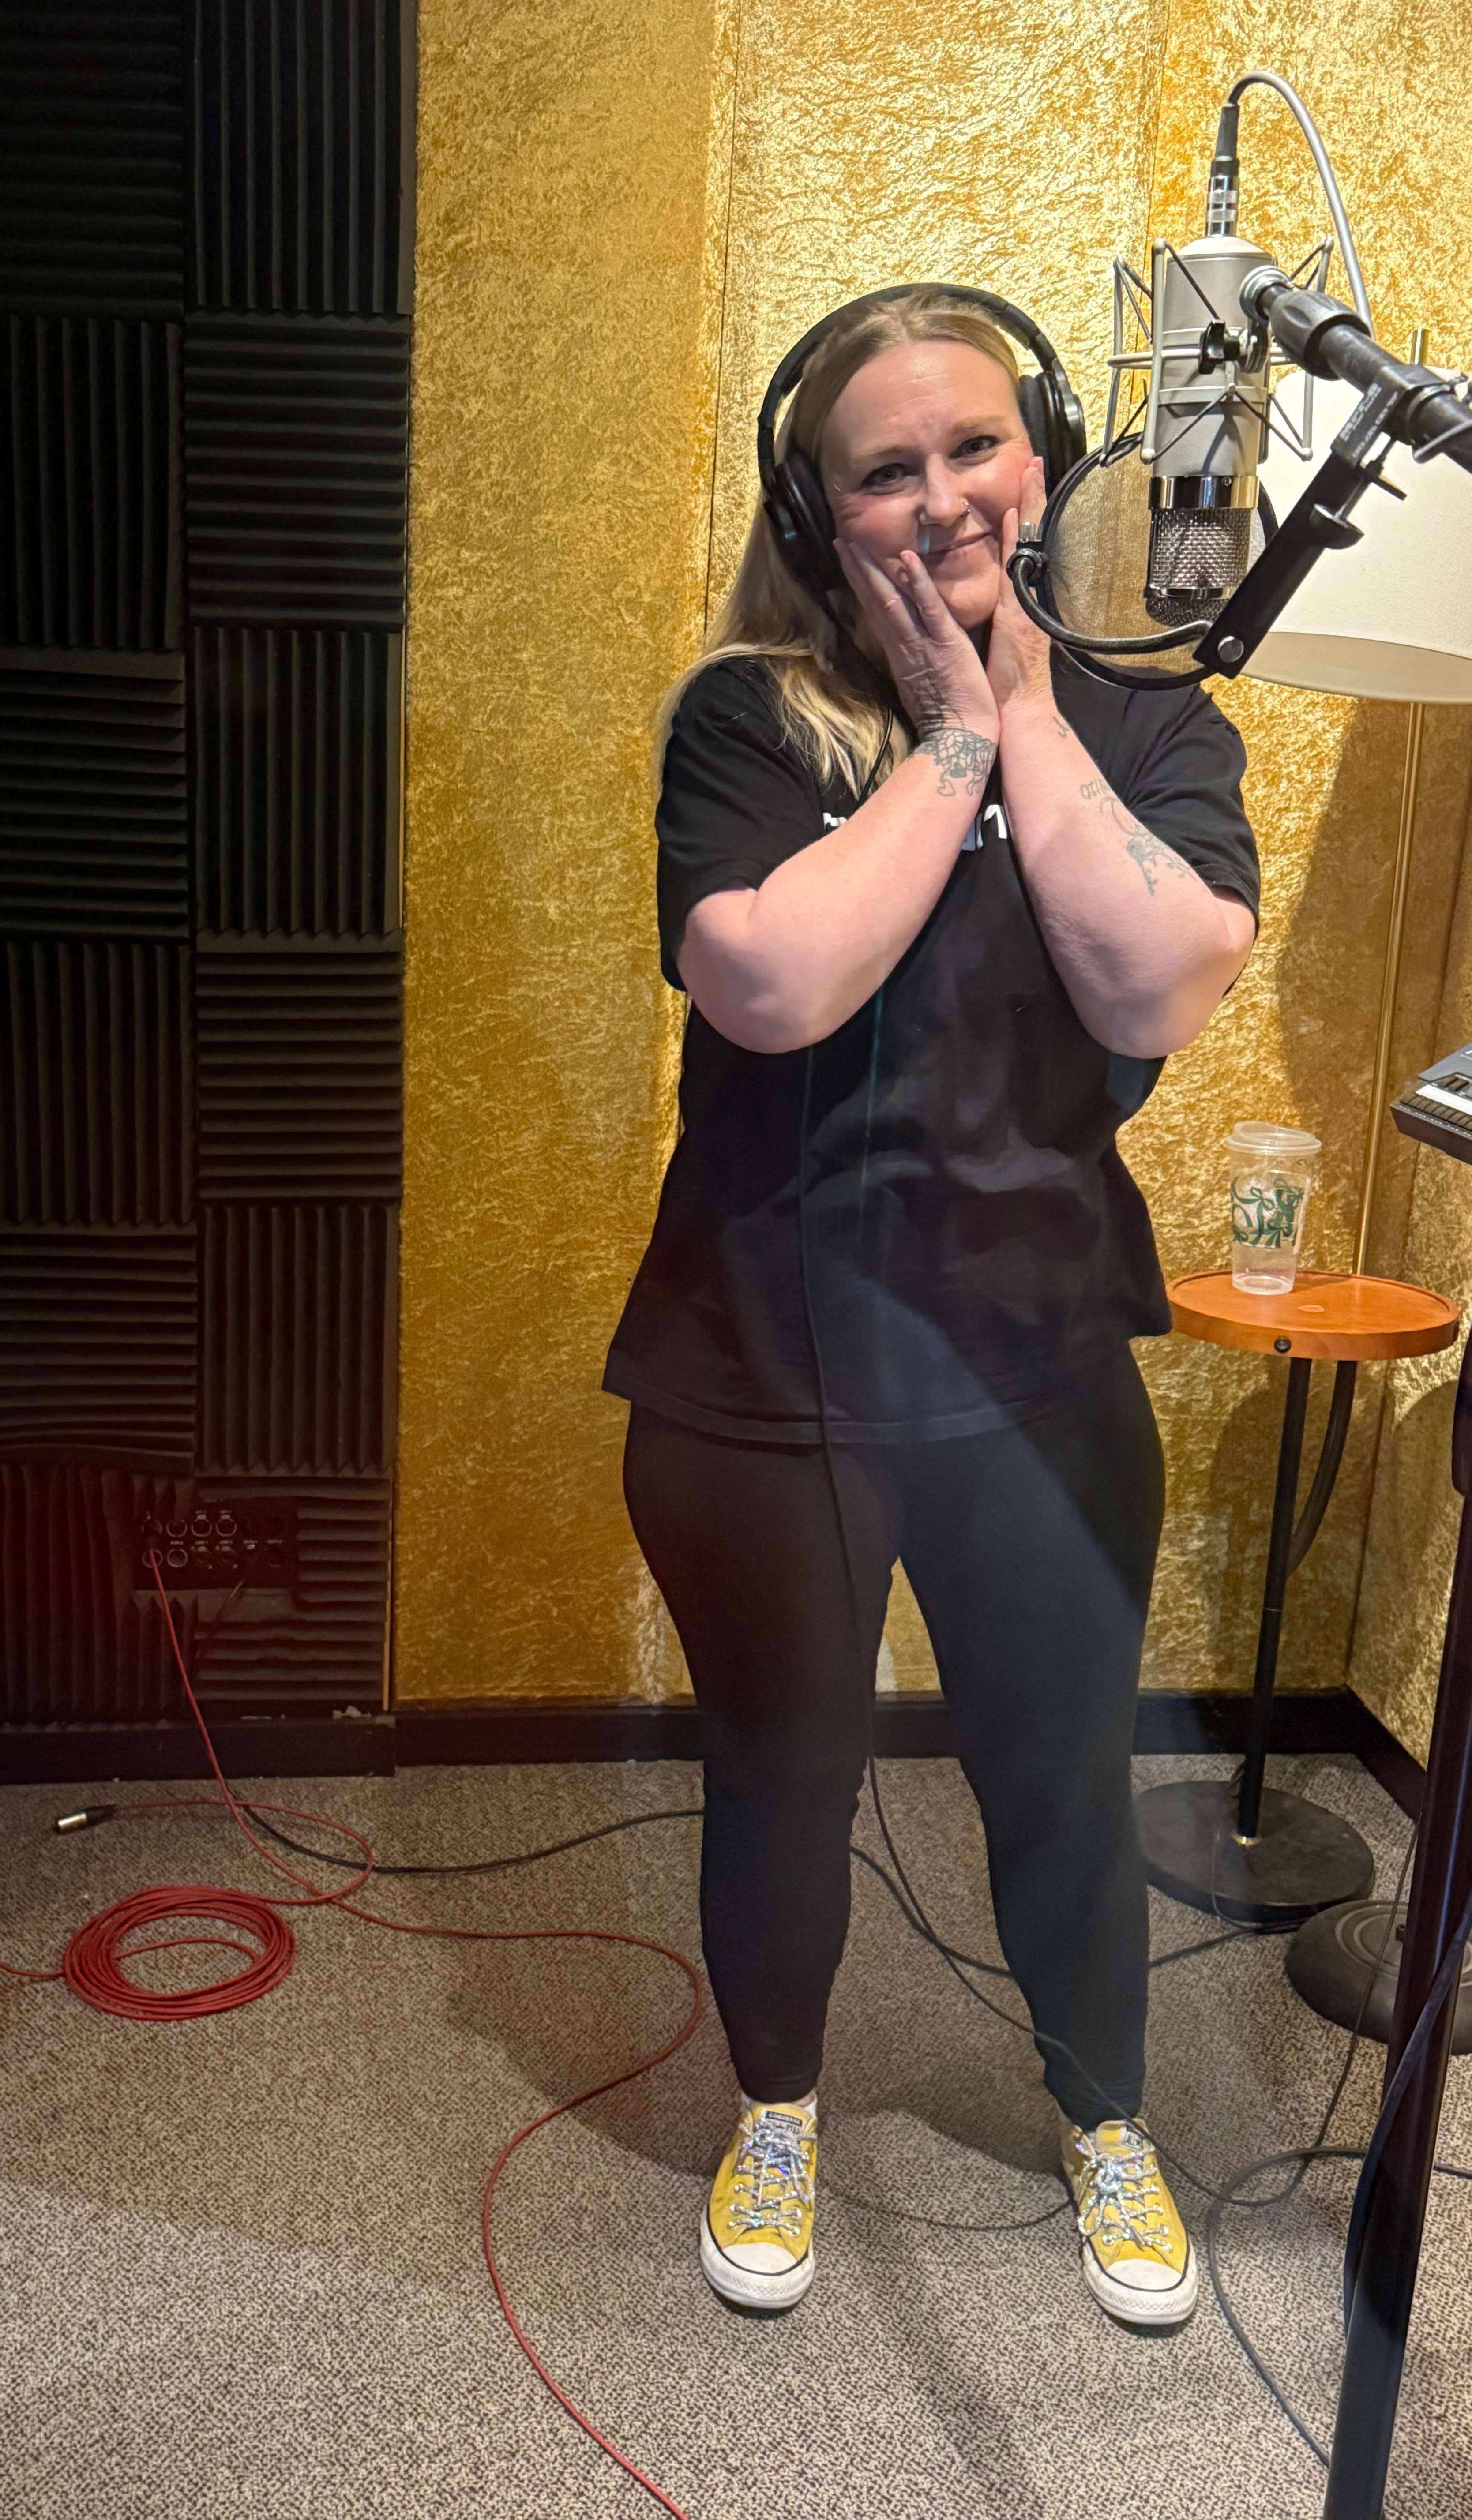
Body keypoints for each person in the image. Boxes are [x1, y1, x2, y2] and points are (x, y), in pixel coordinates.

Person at [602, 289, 1260, 2330]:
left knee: (1061, 1769)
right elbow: (773, 981)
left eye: (975, 446)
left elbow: (1155, 981)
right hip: (758, 1370)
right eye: (885, 470)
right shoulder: (746, 720)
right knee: (782, 1770)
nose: (943, 496)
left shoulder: (1151, 725)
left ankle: (1105, 2121)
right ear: (819, 517)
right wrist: (949, 739)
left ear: (1042, 457)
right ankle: (778, 2107)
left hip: (1034, 1361)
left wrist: (1029, 713)